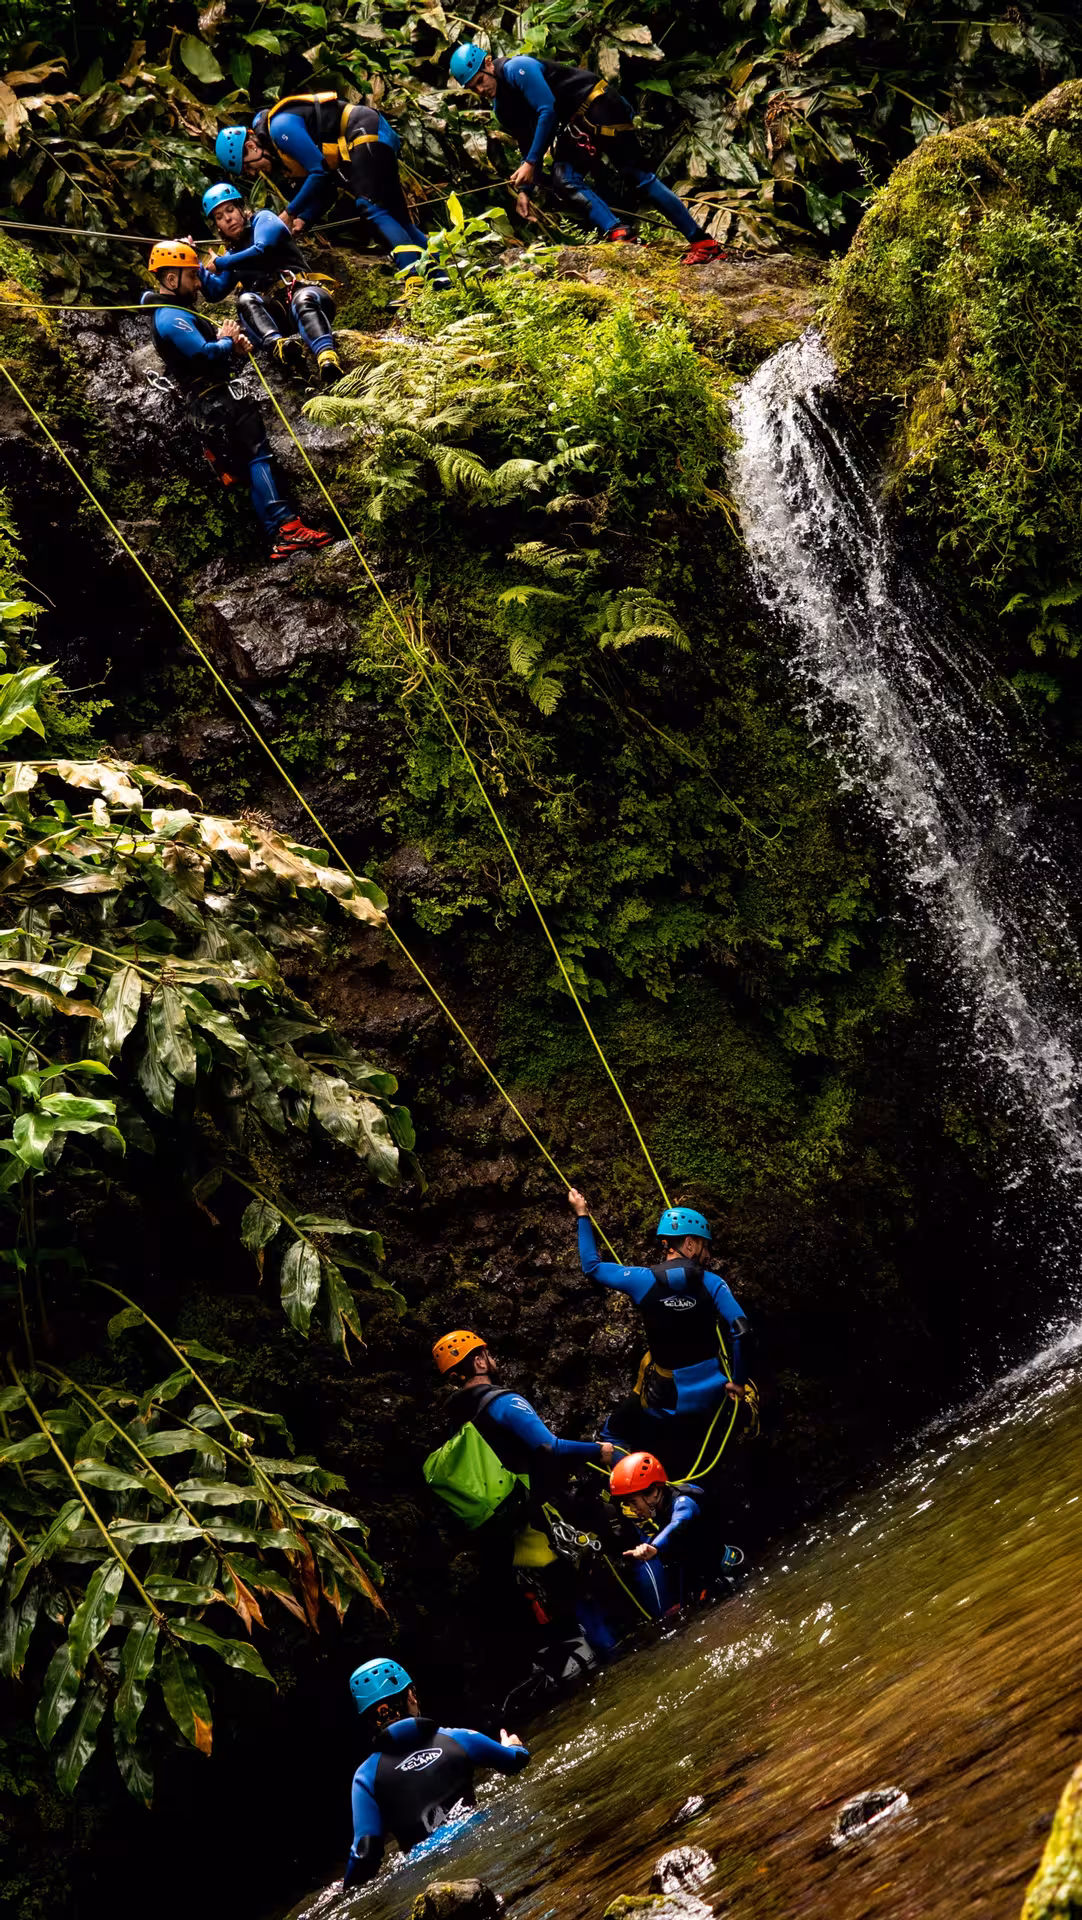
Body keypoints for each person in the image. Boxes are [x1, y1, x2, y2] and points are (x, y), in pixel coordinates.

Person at [429, 1330, 620, 1680]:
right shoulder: (501, 1402)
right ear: (478, 1361)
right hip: (539, 1514)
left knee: (552, 1599)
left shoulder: (455, 1417)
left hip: (505, 1529)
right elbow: (550, 1447)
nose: (492, 1358)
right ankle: (616, 1652)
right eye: (487, 1353)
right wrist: (600, 1451)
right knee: (589, 1573)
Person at [141, 240, 331, 561]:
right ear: (171, 280)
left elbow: (203, 355)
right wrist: (227, 342)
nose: (200, 283)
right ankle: (286, 527)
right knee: (259, 456)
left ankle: (279, 534)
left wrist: (232, 348)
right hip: (215, 402)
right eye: (192, 276)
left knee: (251, 460)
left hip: (210, 401)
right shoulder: (169, 316)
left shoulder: (173, 313)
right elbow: (203, 354)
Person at [448, 44, 725, 264]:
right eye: (472, 88)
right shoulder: (501, 108)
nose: (480, 90)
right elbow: (526, 140)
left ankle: (703, 243)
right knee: (565, 178)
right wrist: (525, 190)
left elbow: (547, 110)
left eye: (479, 81)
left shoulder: (519, 68)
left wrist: (532, 162)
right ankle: (620, 234)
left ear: (488, 64)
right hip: (578, 124)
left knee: (639, 177)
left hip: (600, 105)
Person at [568, 1189, 750, 1476]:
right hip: (713, 1394)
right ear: (689, 1243)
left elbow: (591, 1267)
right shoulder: (713, 1283)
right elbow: (741, 1330)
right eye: (705, 1246)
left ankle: (645, 1487)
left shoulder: (641, 1280)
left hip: (666, 1399)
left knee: (612, 1435)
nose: (708, 1254)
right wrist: (738, 1382)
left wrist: (582, 1214)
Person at [214, 95, 450, 290]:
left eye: (248, 167)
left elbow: (319, 172)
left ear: (251, 146)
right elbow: (327, 190)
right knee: (397, 218)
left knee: (371, 208)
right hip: (367, 140)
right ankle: (443, 277)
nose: (253, 174)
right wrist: (304, 221)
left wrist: (290, 213)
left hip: (364, 130)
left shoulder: (280, 127)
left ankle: (414, 282)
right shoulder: (282, 155)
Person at [344, 1657, 530, 1889]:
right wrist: (512, 1745)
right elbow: (516, 1761)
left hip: (424, 1874)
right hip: (483, 1841)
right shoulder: (458, 1738)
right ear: (410, 1695)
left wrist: (345, 1891)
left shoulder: (365, 1778)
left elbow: (366, 1853)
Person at [199, 182, 342, 384]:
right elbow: (214, 292)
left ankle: (327, 358)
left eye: (230, 210)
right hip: (276, 314)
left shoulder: (264, 219)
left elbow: (262, 249)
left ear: (241, 208)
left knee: (303, 300)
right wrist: (193, 264)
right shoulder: (233, 256)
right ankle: (279, 347)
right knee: (246, 299)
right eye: (219, 217)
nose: (228, 219)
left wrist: (220, 263)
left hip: (304, 291)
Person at [609, 1450, 743, 1620]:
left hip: (726, 1576)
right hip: (702, 1579)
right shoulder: (661, 1508)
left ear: (653, 1492)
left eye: (633, 1502)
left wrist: (654, 1546)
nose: (633, 1509)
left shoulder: (684, 1501)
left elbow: (679, 1521)